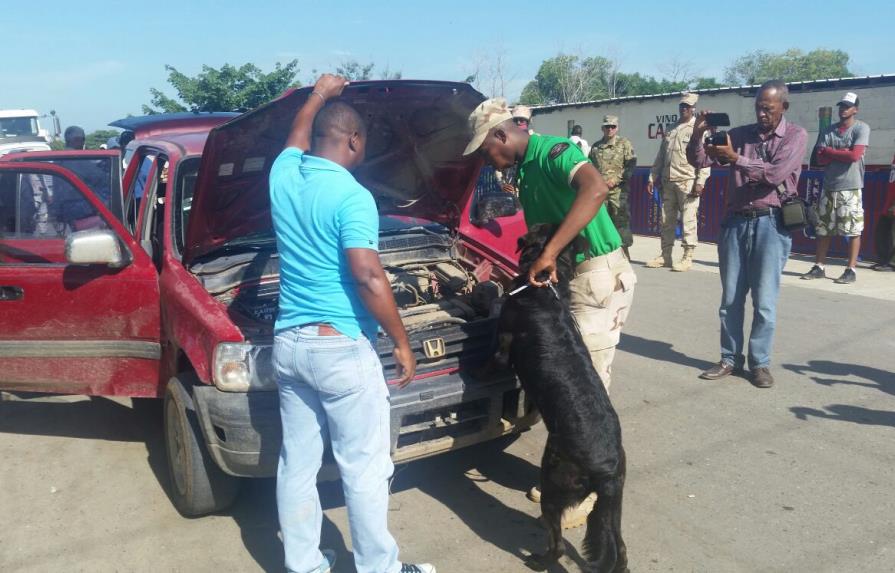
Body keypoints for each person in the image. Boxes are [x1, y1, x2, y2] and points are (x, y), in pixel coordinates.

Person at [269, 74, 434, 573]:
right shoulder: (353, 196)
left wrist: (319, 95)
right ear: (355, 141)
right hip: (340, 347)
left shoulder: (283, 173)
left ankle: (305, 565)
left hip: (288, 344)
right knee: (364, 467)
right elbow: (367, 274)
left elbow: (296, 137)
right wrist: (401, 342)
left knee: (296, 463)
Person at [463, 97, 636, 526]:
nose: (488, 160)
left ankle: (583, 494)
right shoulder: (521, 170)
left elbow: (596, 188)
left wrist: (551, 254)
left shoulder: (555, 151)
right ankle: (569, 468)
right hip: (567, 275)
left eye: (487, 150)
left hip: (596, 275)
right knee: (566, 376)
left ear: (501, 134)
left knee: (587, 388)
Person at [687, 80, 807, 389]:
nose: (762, 114)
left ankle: (760, 363)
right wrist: (699, 132)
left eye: (768, 108)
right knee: (730, 299)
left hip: (771, 223)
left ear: (784, 107)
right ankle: (729, 358)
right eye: (758, 107)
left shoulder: (796, 136)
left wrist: (736, 158)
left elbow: (775, 174)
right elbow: (698, 160)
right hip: (736, 223)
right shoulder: (739, 135)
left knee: (765, 301)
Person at [801, 92, 870, 284]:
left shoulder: (861, 128)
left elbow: (855, 155)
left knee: (853, 229)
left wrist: (832, 152)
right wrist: (840, 153)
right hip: (829, 185)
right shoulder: (829, 130)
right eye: (841, 106)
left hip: (851, 186)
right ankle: (819, 266)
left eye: (847, 106)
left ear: (855, 109)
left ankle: (851, 269)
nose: (843, 110)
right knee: (823, 228)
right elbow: (820, 158)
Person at [646, 93, 711, 272]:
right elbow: (661, 155)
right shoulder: (671, 128)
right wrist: (652, 176)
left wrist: (701, 181)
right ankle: (665, 255)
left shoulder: (699, 128)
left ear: (694, 108)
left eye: (688, 106)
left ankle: (687, 257)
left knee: (689, 220)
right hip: (668, 182)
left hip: (687, 181)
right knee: (666, 221)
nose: (684, 109)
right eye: (682, 106)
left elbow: (706, 157)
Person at [589, 114, 636, 254]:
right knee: (602, 222)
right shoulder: (596, 147)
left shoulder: (624, 144)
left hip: (618, 192)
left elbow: (631, 165)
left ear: (617, 128)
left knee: (621, 222)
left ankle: (624, 253)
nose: (610, 129)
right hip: (601, 193)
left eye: (613, 126)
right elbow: (590, 167)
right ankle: (606, 252)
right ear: (602, 128)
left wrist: (615, 180)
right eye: (607, 126)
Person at [871, 155, 895, 271]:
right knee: (882, 231)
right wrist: (885, 169)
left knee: (890, 233)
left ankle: (891, 262)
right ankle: (884, 260)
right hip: (889, 201)